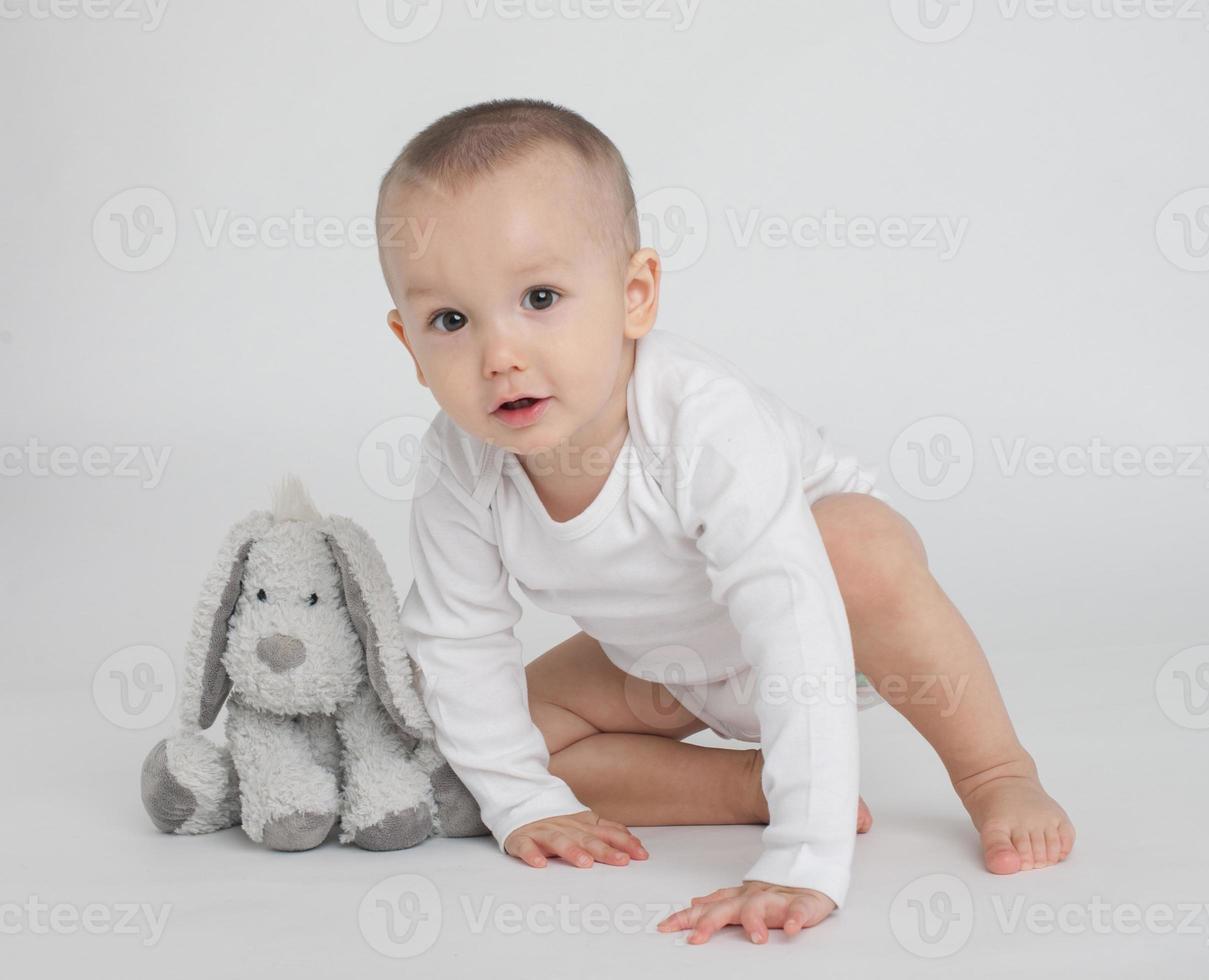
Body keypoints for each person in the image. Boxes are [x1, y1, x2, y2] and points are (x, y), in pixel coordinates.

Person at [378, 98, 1075, 946]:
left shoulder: (700, 420)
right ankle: (740, 787)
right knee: (495, 740)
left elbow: (789, 614)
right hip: (666, 658)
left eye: (541, 297)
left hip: (833, 628)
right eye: (451, 321)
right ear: (409, 347)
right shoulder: (459, 462)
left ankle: (995, 769)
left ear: (635, 296)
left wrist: (802, 858)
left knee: (859, 544)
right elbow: (459, 637)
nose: (500, 354)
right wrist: (521, 803)